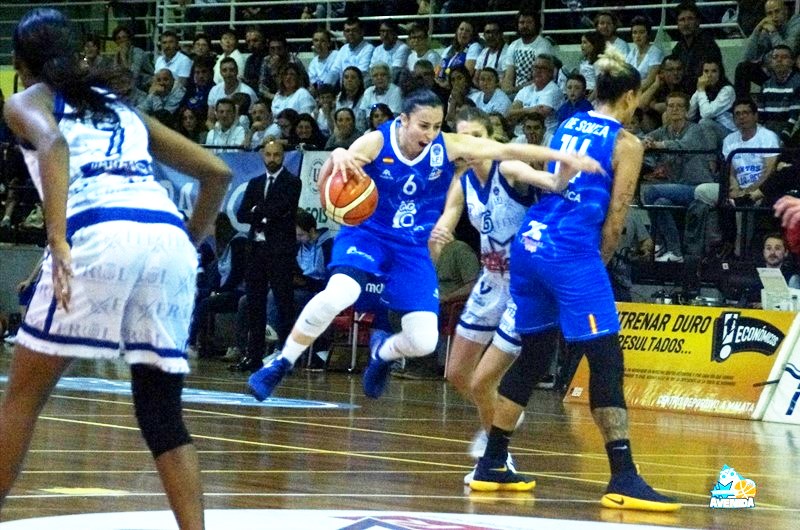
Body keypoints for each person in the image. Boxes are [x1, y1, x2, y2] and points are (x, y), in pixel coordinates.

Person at [0, 8, 231, 529]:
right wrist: (187, 241)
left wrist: (56, 237)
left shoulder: (26, 101)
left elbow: (54, 146)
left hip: (99, 233)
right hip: (166, 238)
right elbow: (215, 173)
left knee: (23, 398)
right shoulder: (121, 108)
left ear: (20, 63)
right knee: (161, 414)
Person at [245, 88, 604, 402]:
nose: (431, 133)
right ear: (403, 121)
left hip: (411, 248)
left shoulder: (447, 146)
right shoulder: (375, 141)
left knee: (424, 342)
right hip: (368, 235)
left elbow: (503, 146)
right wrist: (338, 154)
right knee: (339, 292)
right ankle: (282, 363)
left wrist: (563, 157)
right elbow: (333, 177)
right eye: (423, 126)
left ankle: (383, 353)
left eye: (436, 126)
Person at [469, 45, 681, 512]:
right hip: (570, 252)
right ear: (628, 97)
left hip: (530, 243)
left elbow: (553, 180)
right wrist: (599, 260)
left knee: (535, 353)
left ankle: (492, 461)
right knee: (607, 362)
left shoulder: (568, 124)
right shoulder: (627, 143)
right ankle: (624, 476)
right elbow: (617, 214)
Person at [430, 106, 578, 484]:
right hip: (490, 280)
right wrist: (440, 234)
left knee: (482, 382)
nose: (470, 145)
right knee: (457, 374)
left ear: (492, 136)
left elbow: (550, 182)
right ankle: (501, 413)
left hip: (523, 285)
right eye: (463, 138)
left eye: (477, 136)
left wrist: (565, 169)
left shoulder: (508, 168)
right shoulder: (461, 180)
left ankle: (499, 454)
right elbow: (447, 219)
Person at [233, 140, 301, 373]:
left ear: (283, 156)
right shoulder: (255, 182)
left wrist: (258, 211)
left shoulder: (292, 182)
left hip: (280, 251)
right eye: (269, 154)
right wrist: (261, 213)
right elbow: (241, 214)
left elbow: (281, 210)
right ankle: (253, 356)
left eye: (277, 155)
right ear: (263, 156)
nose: (272, 159)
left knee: (283, 303)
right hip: (256, 250)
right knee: (254, 304)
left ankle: (286, 357)